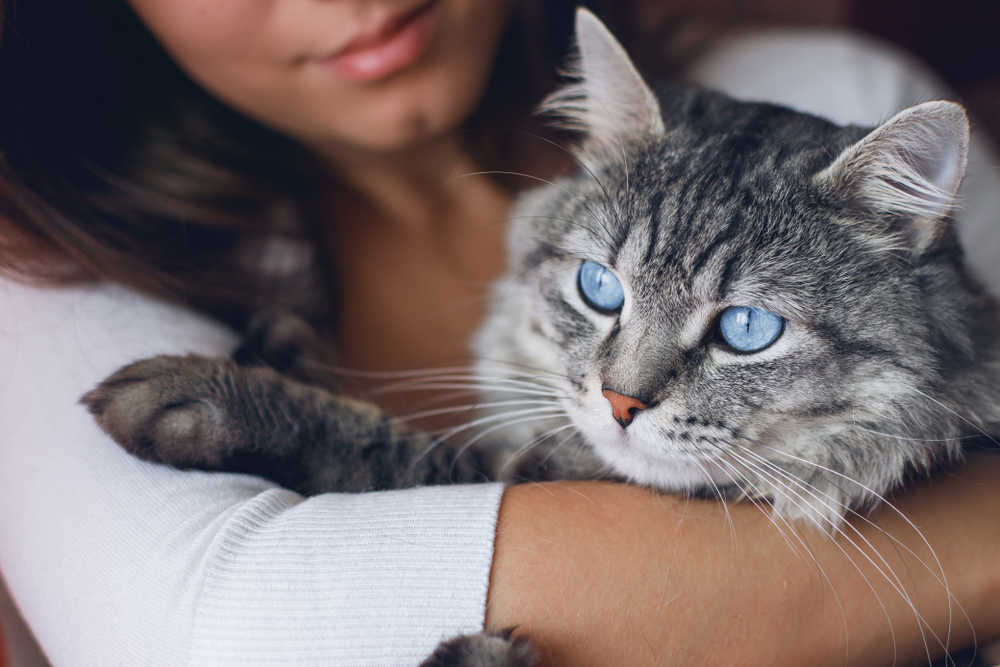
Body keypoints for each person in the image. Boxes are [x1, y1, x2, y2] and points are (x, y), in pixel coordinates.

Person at [1, 1, 998, 665]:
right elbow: (230, 622)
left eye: (741, 326)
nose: (629, 390)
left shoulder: (850, 92)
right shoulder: (47, 262)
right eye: (603, 295)